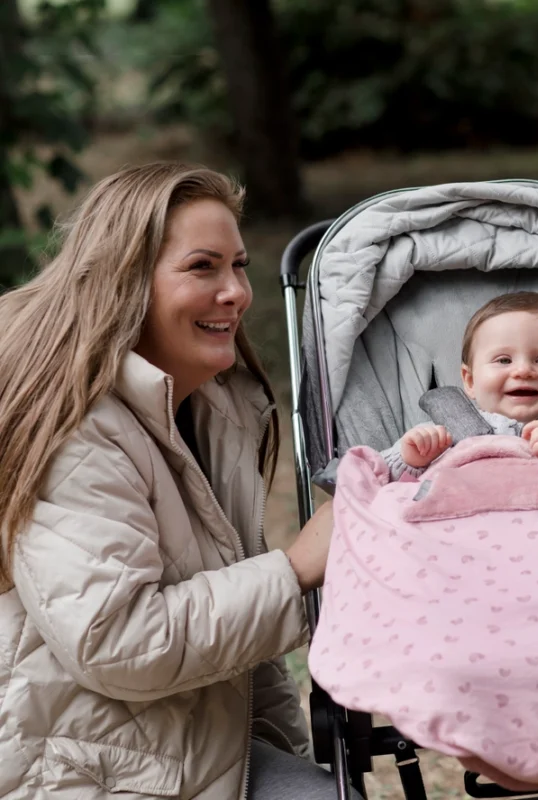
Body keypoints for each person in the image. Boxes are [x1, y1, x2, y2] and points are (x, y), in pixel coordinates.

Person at [0, 163, 360, 799]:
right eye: (203, 267)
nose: (236, 292)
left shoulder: (213, 410)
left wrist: (293, 763)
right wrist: (297, 568)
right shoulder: (79, 430)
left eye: (239, 265)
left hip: (178, 740)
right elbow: (114, 640)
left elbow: (246, 656)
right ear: (127, 281)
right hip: (76, 768)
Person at [382, 291, 538, 478]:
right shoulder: (439, 434)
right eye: (504, 360)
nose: (523, 371)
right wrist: (410, 460)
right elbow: (381, 475)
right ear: (470, 380)